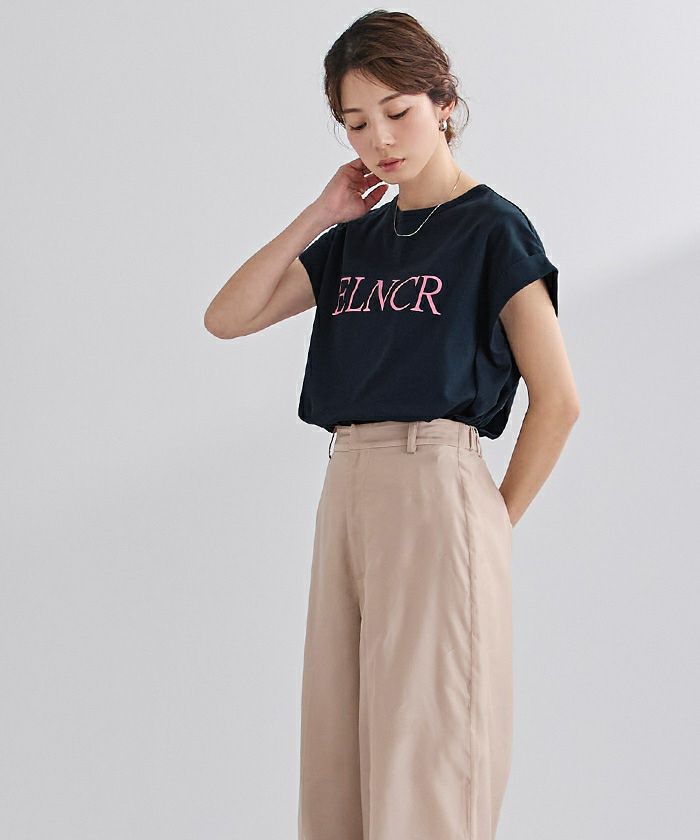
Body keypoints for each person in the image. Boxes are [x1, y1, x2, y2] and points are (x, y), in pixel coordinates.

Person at [204, 10, 580, 839]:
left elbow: (558, 399)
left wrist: (492, 523)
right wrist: (321, 213)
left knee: (427, 758)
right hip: (348, 487)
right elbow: (227, 318)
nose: (379, 138)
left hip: (437, 485)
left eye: (397, 111)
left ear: (443, 102)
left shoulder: (493, 229)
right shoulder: (355, 242)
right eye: (355, 122)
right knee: (337, 759)